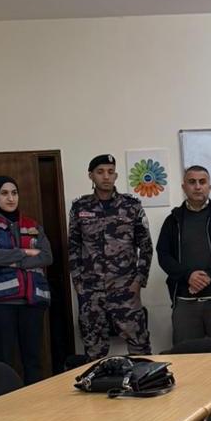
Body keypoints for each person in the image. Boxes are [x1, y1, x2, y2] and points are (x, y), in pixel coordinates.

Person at [68, 154, 153, 360]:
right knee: (94, 352)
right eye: (100, 172)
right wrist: (78, 283)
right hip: (91, 291)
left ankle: (143, 379)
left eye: (110, 172)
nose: (106, 176)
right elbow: (73, 248)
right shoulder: (80, 207)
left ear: (116, 175)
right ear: (91, 176)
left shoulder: (131, 205)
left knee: (139, 348)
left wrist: (139, 281)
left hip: (126, 289)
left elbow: (146, 246)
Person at [0, 175, 54, 384]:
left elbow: (47, 256)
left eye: (14, 193)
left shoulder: (32, 225)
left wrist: (12, 260)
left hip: (33, 300)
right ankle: (6, 400)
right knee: (4, 359)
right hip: (1, 301)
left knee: (34, 359)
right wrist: (25, 252)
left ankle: (36, 399)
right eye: (4, 193)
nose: (11, 198)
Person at [157, 165, 211, 343]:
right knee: (186, 355)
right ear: (184, 187)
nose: (197, 187)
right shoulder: (173, 220)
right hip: (185, 301)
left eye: (202, 182)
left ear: (209, 187)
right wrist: (188, 276)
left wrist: (210, 275)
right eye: (192, 182)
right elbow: (163, 255)